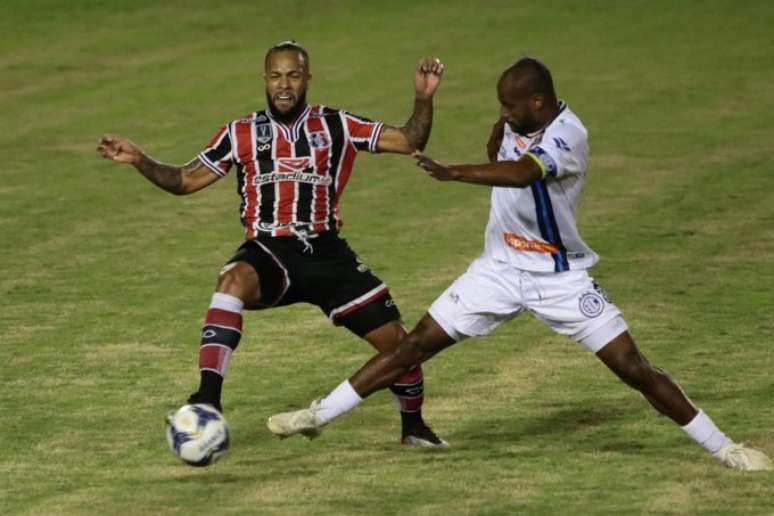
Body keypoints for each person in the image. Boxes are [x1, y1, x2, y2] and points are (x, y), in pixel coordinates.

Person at [266, 57, 773, 470]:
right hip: (497, 271)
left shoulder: (569, 134)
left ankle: (725, 448)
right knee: (413, 345)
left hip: (559, 278)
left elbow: (520, 174)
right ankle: (317, 415)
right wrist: (494, 129)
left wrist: (453, 173)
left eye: (510, 106)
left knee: (632, 368)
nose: (503, 113)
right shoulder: (516, 118)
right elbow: (501, 146)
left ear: (539, 102)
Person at [97, 41, 449, 447]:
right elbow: (184, 181)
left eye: (294, 76)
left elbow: (409, 140)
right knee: (232, 280)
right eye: (276, 76)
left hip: (327, 253)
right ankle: (207, 398)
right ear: (265, 79)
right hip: (270, 250)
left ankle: (414, 428)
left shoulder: (337, 124)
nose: (285, 85)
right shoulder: (240, 132)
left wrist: (423, 98)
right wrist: (140, 158)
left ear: (308, 79)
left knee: (401, 346)